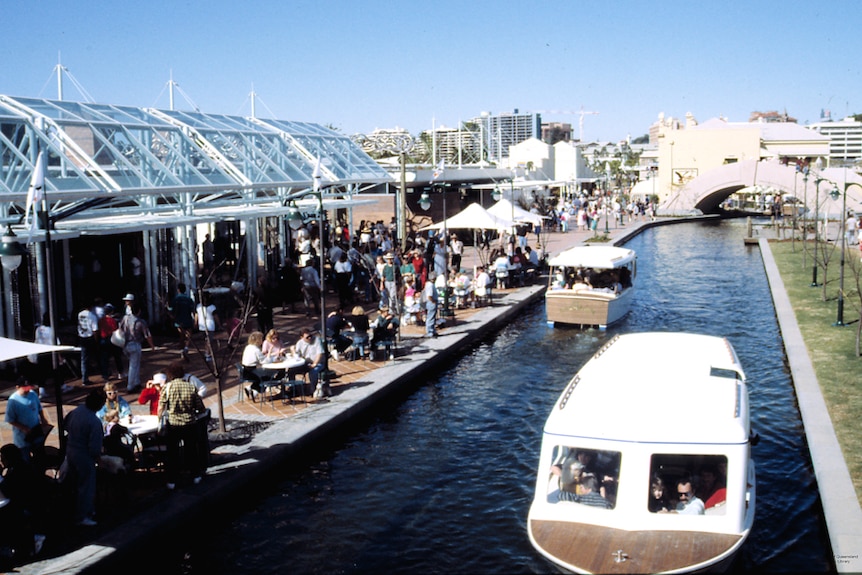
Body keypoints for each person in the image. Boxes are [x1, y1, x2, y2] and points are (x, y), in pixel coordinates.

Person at [158, 361, 208, 490]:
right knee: (191, 450)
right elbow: (200, 407)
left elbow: (161, 406)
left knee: (172, 453)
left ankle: (172, 480)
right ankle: (195, 475)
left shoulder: (167, 387)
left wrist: (160, 421)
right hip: (189, 424)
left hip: (173, 424)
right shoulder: (190, 387)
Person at [63, 390, 104, 526]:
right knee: (86, 486)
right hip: (83, 455)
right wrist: (99, 460)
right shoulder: (94, 421)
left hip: (71, 451)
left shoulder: (77, 411)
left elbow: (65, 424)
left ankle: (78, 511)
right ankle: (83, 515)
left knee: (75, 483)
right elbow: (95, 448)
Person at [4, 379, 50, 468]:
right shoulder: (13, 401)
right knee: (25, 460)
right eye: (25, 388)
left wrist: (43, 419)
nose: (27, 390)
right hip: (22, 437)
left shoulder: (33, 394)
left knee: (39, 457)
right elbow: (10, 419)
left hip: (36, 431)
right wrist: (23, 428)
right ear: (17, 387)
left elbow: (39, 408)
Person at [119, 302, 154, 393]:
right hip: (135, 344)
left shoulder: (125, 318)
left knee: (135, 364)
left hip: (125, 344)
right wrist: (152, 346)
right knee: (133, 366)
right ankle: (130, 386)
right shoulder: (141, 322)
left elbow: (120, 330)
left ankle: (136, 382)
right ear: (139, 311)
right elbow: (147, 335)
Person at [293, 328, 327, 397]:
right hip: (305, 363)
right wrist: (293, 351)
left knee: (313, 372)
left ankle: (313, 390)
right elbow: (296, 355)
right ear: (302, 337)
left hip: (318, 363)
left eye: (310, 336)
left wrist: (314, 364)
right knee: (291, 371)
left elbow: (319, 354)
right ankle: (293, 389)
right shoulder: (299, 343)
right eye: (307, 337)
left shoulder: (316, 340)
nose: (310, 338)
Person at [168, 283, 196, 359]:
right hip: (188, 320)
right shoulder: (189, 299)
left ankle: (181, 350)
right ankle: (186, 348)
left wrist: (172, 317)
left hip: (178, 321)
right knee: (189, 336)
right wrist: (194, 320)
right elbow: (193, 310)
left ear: (178, 290)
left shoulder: (175, 299)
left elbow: (170, 310)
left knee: (181, 336)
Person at [97, 303, 124, 382]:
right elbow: (115, 331)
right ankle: (120, 373)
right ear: (111, 312)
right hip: (112, 340)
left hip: (103, 340)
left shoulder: (100, 320)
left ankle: (105, 375)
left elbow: (98, 330)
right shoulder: (113, 320)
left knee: (104, 359)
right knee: (117, 356)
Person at [241, 331, 269, 400]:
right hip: (252, 372)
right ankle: (255, 390)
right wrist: (271, 357)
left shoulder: (248, 347)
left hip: (244, 371)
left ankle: (251, 389)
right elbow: (263, 361)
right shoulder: (256, 350)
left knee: (262, 374)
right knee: (266, 376)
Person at [76, 301, 99, 385]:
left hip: (82, 336)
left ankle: (84, 377)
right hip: (90, 337)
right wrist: (96, 341)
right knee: (95, 356)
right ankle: (86, 377)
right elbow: (95, 330)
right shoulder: (92, 316)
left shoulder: (80, 314)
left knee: (84, 359)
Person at [423, 271, 439, 337]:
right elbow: (429, 296)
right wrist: (433, 301)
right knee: (430, 317)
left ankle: (432, 330)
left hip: (432, 302)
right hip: (431, 303)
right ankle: (429, 331)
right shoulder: (430, 285)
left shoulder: (430, 284)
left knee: (433, 317)